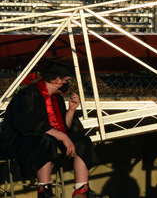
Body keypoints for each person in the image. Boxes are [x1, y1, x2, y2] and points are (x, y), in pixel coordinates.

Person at [0, 59, 104, 198]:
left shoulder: (56, 98)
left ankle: (81, 190)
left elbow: (62, 127)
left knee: (82, 141)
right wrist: (62, 137)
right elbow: (30, 125)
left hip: (47, 139)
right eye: (66, 80)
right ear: (56, 80)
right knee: (46, 140)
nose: (68, 84)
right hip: (19, 141)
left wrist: (72, 109)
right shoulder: (29, 95)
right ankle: (45, 191)